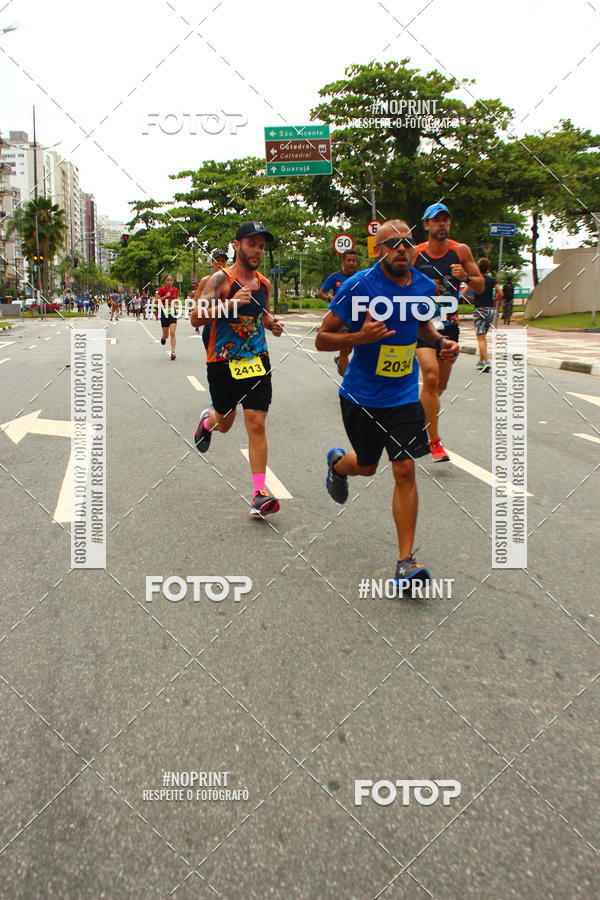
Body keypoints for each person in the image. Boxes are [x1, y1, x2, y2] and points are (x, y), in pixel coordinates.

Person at [316, 219, 459, 588]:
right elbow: (322, 339)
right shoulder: (358, 286)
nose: (401, 249)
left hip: (402, 396)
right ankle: (338, 464)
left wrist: (440, 342)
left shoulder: (424, 286)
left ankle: (406, 562)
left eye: (407, 243)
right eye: (392, 243)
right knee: (365, 467)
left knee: (404, 471)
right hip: (361, 396)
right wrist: (361, 336)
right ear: (378, 250)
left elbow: (422, 325)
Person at [191, 222, 284, 517]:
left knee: (256, 422)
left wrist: (273, 324)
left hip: (257, 359)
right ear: (237, 245)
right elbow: (196, 317)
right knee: (226, 422)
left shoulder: (264, 284)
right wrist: (228, 305)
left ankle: (259, 493)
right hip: (222, 361)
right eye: (251, 244)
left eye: (261, 245)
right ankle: (208, 421)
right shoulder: (220, 280)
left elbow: (262, 315)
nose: (257, 250)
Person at [413, 203, 484, 462]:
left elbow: (480, 283)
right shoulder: (416, 253)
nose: (442, 224)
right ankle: (434, 442)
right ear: (426, 225)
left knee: (440, 385)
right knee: (430, 378)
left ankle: (423, 416)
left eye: (446, 220)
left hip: (449, 324)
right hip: (421, 323)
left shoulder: (460, 250)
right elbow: (398, 280)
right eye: (436, 220)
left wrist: (465, 276)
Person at [318, 249, 359, 376]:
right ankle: (347, 383)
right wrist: (330, 298)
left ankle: (340, 361)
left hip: (357, 316)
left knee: (349, 348)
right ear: (343, 261)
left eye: (354, 260)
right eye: (349, 260)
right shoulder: (334, 277)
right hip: (341, 317)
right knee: (345, 349)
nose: (351, 263)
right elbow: (321, 292)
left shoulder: (360, 277)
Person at [472, 258, 503, 371]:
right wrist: (495, 299)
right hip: (491, 310)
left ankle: (486, 362)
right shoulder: (491, 280)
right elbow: (500, 293)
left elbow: (464, 293)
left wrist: (473, 299)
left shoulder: (476, 280)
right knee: (483, 336)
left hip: (480, 309)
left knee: (480, 338)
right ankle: (481, 361)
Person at [196, 250, 228, 344]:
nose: (220, 263)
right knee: (211, 356)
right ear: (212, 263)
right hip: (210, 322)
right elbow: (196, 301)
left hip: (227, 323)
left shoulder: (232, 279)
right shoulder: (205, 280)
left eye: (223, 261)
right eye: (217, 260)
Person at [155, 274, 179, 360]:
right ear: (165, 281)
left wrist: (175, 302)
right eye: (168, 280)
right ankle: (163, 337)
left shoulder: (176, 290)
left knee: (173, 332)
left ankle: (173, 352)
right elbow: (156, 301)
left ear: (173, 281)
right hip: (164, 312)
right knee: (166, 335)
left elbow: (176, 299)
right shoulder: (161, 290)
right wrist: (165, 297)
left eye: (171, 280)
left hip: (172, 312)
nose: (169, 281)